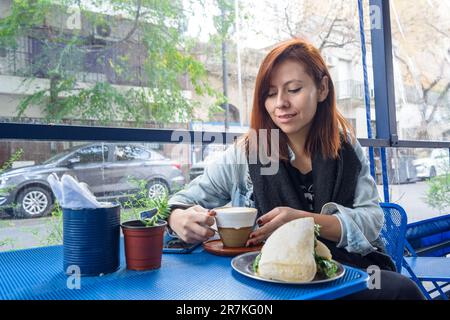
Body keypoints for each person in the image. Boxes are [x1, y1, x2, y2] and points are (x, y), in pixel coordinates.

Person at [168, 38, 424, 300]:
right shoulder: (251, 151)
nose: (280, 103)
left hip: (347, 270)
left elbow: (371, 221)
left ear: (322, 88)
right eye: (270, 93)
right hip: (270, 278)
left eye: (294, 89)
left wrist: (305, 221)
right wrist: (177, 219)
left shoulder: (346, 148)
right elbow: (179, 202)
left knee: (400, 289)